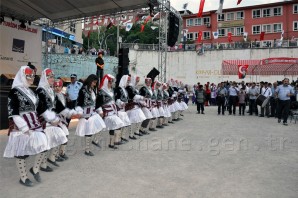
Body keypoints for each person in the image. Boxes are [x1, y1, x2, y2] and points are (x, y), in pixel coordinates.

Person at [3, 65, 48, 187]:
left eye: (33, 76)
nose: (31, 78)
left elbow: (40, 108)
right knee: (22, 153)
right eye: (29, 76)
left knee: (44, 146)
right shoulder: (14, 92)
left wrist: (51, 117)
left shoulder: (31, 91)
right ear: (23, 76)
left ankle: (35, 169)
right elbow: (13, 112)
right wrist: (24, 127)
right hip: (21, 126)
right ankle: (23, 177)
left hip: (35, 124)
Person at [36, 69, 68, 170]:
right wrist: (51, 119)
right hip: (44, 121)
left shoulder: (50, 90)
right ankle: (43, 164)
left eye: (53, 76)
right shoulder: (40, 90)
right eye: (49, 76)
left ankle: (51, 157)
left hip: (53, 120)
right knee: (46, 143)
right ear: (45, 77)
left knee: (60, 136)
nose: (52, 78)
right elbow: (41, 108)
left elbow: (56, 106)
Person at [75, 74, 106, 156]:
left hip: (92, 112)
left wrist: (100, 110)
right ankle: (87, 150)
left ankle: (95, 141)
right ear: (90, 81)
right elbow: (78, 102)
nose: (94, 84)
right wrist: (80, 112)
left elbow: (95, 103)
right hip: (85, 114)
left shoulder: (93, 91)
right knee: (88, 132)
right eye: (94, 82)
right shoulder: (83, 90)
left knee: (101, 126)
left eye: (96, 83)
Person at [97, 74, 124, 149]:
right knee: (119, 123)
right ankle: (116, 140)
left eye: (111, 82)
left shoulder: (111, 90)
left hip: (113, 112)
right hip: (107, 112)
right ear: (106, 82)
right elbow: (98, 103)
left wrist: (121, 103)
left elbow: (114, 101)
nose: (111, 83)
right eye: (109, 82)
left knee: (113, 127)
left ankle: (111, 144)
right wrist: (100, 111)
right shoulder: (101, 91)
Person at [53, 79, 78, 160]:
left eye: (59, 86)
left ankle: (62, 153)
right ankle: (55, 155)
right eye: (55, 86)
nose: (57, 88)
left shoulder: (64, 96)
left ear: (61, 87)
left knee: (66, 134)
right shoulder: (52, 97)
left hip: (63, 119)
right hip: (55, 119)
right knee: (58, 137)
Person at [114, 75, 132, 143]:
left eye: (129, 81)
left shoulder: (125, 89)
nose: (128, 82)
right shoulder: (118, 89)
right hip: (119, 109)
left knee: (126, 123)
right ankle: (117, 140)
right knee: (120, 124)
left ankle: (122, 137)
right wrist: (121, 103)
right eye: (127, 81)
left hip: (124, 109)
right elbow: (116, 99)